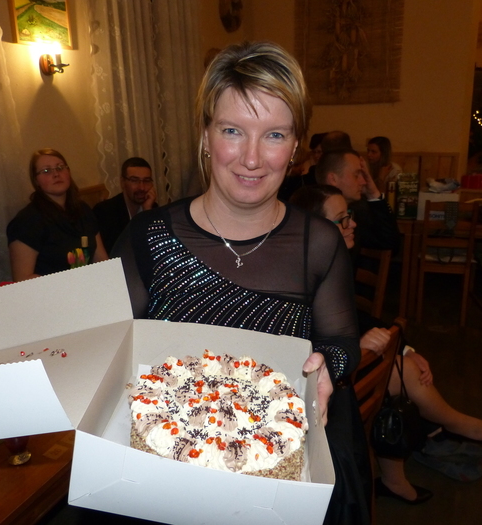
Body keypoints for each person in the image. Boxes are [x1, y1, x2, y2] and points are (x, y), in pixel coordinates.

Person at [114, 41, 371, 525]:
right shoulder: (146, 236)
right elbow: (111, 346)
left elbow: (341, 340)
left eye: (274, 135)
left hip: (270, 487)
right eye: (232, 130)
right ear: (206, 136)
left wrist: (326, 367)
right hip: (163, 482)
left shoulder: (318, 243)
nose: (252, 158)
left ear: (295, 148)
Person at [290, 184, 482, 504]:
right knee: (401, 372)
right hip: (312, 387)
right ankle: (449, 429)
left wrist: (403, 347)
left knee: (399, 365)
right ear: (316, 227)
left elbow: (357, 317)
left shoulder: (328, 258)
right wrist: (353, 346)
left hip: (334, 375)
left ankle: (431, 440)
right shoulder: (297, 272)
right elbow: (299, 342)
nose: (353, 223)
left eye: (349, 215)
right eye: (343, 219)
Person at [7, 149, 108, 281]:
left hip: (90, 285)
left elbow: (101, 260)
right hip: (51, 291)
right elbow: (23, 279)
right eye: (46, 171)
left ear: (68, 172)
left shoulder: (83, 210)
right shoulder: (26, 222)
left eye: (60, 168)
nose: (56, 174)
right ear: (36, 180)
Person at [93, 157, 157, 254]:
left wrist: (147, 212)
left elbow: (155, 246)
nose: (142, 187)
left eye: (147, 180)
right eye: (134, 180)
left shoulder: (153, 208)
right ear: (122, 182)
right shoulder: (104, 212)